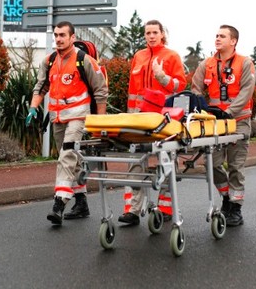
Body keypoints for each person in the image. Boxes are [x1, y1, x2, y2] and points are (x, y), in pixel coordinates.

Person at [26, 21, 108, 226]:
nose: (59, 39)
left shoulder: (84, 60)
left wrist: (100, 123)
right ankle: (81, 203)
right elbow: (41, 86)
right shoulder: (49, 60)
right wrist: (33, 107)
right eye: (56, 35)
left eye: (63, 35)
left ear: (72, 37)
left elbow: (100, 92)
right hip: (57, 118)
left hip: (78, 117)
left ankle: (59, 204)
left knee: (66, 156)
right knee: (75, 160)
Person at [118, 19, 187, 226]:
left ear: (162, 34)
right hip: (139, 119)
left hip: (163, 119)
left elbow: (179, 86)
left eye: (154, 32)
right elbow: (132, 90)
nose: (150, 36)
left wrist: (162, 76)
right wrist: (130, 115)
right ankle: (132, 209)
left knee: (166, 161)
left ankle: (165, 207)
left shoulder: (171, 56)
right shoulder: (138, 56)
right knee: (135, 160)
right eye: (147, 32)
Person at [191, 24, 255, 227]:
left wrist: (229, 112)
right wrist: (203, 110)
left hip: (239, 121)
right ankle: (227, 197)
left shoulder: (245, 63)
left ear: (233, 41)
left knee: (236, 166)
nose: (217, 39)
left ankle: (235, 209)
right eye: (216, 35)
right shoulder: (206, 64)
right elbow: (196, 88)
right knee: (212, 164)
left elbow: (247, 90)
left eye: (222, 36)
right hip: (214, 124)